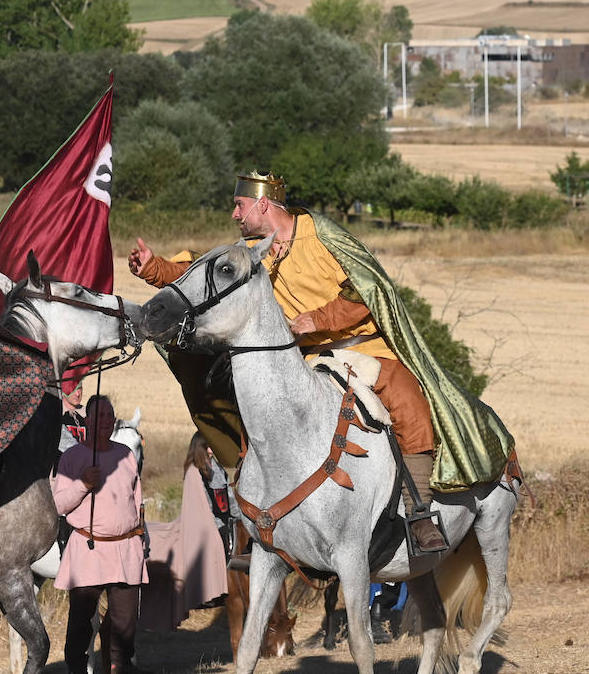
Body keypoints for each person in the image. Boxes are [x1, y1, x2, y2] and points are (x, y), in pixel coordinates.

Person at [130, 171, 495, 556]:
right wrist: (155, 267)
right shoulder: (252, 250)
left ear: (263, 204)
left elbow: (366, 290)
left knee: (409, 402)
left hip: (364, 349)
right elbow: (203, 279)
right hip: (304, 359)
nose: (235, 215)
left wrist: (317, 320)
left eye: (239, 206)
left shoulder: (324, 236)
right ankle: (259, 511)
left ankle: (418, 511)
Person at [52, 395, 154, 674]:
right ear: (87, 422)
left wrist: (141, 534)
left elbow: (136, 499)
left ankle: (121, 668)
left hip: (125, 546)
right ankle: (77, 673)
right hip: (89, 547)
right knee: (82, 616)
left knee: (125, 616)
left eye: (110, 417)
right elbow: (58, 504)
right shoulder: (72, 459)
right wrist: (83, 484)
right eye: (99, 417)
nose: (105, 422)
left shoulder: (126, 455)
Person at [140, 435, 231, 632]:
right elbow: (200, 506)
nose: (211, 450)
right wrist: (214, 527)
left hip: (223, 520)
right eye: (207, 447)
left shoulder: (217, 468)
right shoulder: (193, 472)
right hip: (207, 523)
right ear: (199, 448)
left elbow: (226, 496)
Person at [58, 377, 87, 454]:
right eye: (73, 389)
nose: (78, 394)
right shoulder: (56, 413)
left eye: (80, 388)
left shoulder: (88, 413)